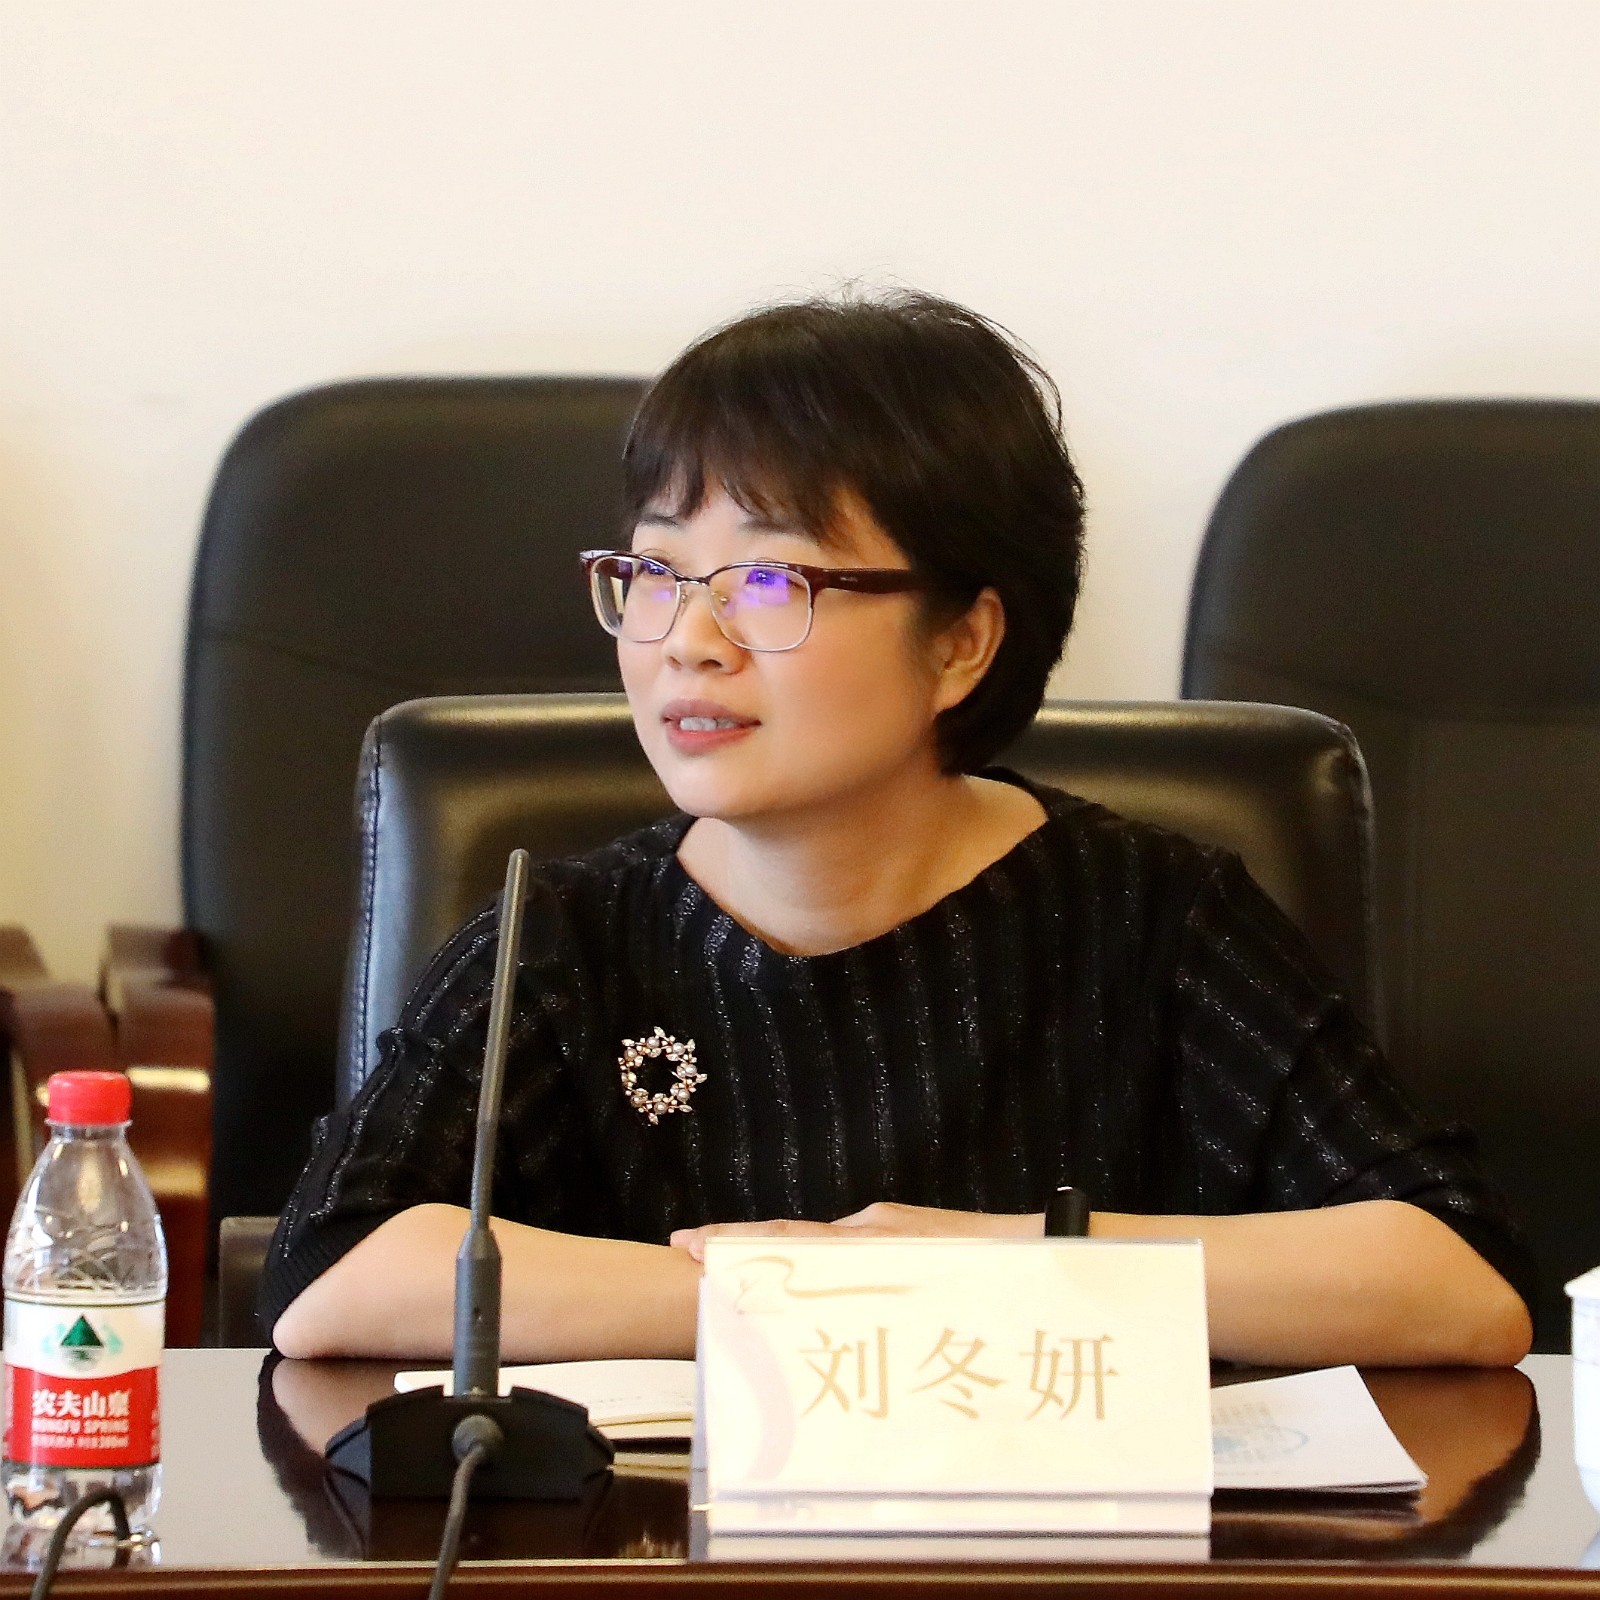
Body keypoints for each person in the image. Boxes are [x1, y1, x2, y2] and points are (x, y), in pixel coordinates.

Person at [263, 291, 1533, 1368]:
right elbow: (333, 1266)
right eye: (654, 572)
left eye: (771, 579)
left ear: (962, 641)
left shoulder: (1154, 918)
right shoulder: (566, 938)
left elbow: (1458, 1273)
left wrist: (1004, 1261)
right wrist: (808, 1298)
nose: (686, 639)